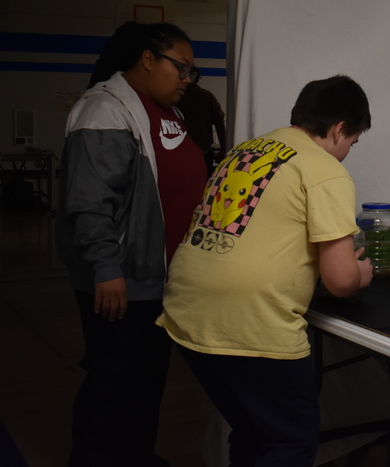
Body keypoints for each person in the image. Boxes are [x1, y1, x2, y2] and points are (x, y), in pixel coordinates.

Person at [157, 74, 374, 467]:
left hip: (186, 315)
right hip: (249, 324)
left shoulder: (246, 151)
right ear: (340, 128)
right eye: (352, 143)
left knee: (253, 431)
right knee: (289, 442)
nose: (348, 153)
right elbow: (340, 281)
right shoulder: (323, 169)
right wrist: (363, 272)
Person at [56, 21, 207, 467]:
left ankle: (136, 456)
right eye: (181, 68)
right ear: (147, 59)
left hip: (159, 281)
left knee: (146, 380)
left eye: (191, 72)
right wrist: (107, 267)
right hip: (122, 280)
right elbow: (89, 201)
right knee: (113, 383)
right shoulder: (105, 109)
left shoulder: (167, 111)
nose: (187, 79)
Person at [176, 81, 227, 174]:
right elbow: (220, 124)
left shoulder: (176, 97)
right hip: (204, 150)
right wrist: (223, 149)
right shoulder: (206, 96)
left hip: (180, 152)